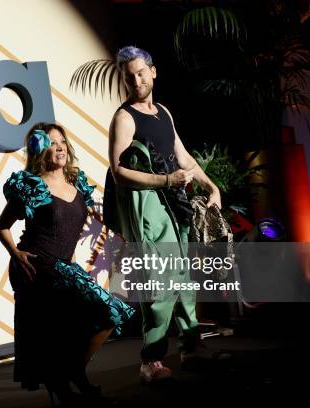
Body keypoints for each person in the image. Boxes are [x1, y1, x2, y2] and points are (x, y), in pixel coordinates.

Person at [0, 123, 135, 406]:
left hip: (62, 264)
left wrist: (73, 262)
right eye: (51, 142)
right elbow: (2, 226)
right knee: (85, 317)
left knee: (106, 315)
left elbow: (69, 230)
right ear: (39, 149)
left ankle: (71, 373)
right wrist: (15, 253)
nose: (59, 147)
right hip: (35, 263)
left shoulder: (76, 184)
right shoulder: (32, 186)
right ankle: (65, 382)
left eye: (62, 141)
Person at [107, 46, 222, 383]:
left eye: (141, 73)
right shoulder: (124, 117)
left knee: (184, 282)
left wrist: (210, 186)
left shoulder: (163, 113)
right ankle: (150, 362)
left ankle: (190, 348)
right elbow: (118, 172)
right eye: (129, 76)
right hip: (148, 209)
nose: (136, 80)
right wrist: (165, 180)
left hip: (174, 203)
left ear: (153, 72)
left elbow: (183, 156)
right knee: (159, 285)